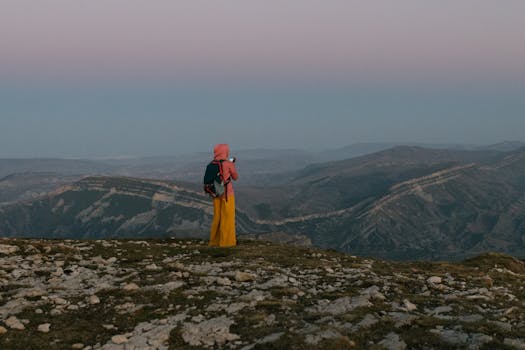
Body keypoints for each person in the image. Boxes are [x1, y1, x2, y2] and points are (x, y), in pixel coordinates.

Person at [209, 144, 239, 247]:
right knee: (227, 217)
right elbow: (235, 177)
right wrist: (231, 165)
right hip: (227, 194)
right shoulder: (228, 164)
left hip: (216, 194)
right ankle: (227, 243)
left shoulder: (212, 164)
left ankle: (214, 241)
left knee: (217, 217)